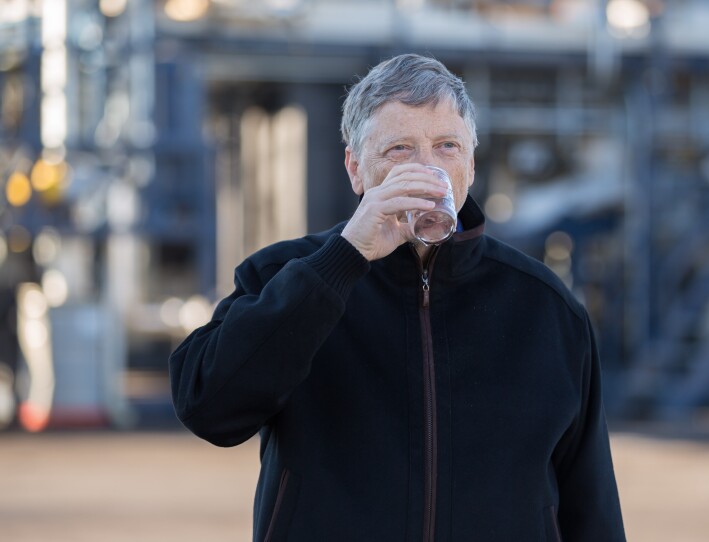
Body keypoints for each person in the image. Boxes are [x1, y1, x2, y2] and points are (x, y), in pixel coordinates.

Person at [169, 53, 625, 541]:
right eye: (400, 150)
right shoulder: (283, 275)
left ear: (470, 165)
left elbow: (590, 503)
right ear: (355, 168)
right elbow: (208, 407)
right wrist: (343, 261)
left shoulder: (545, 307)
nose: (427, 169)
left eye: (447, 146)